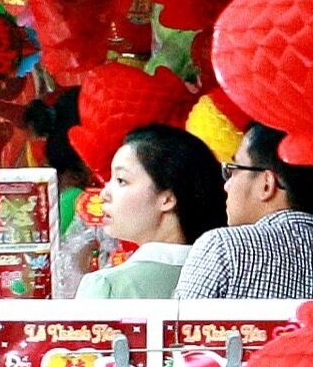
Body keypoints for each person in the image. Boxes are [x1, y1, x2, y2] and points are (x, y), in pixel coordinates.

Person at [174, 122, 313, 301]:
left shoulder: (222, 247)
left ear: (266, 184)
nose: (227, 185)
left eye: (234, 169)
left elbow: (175, 333)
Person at [77, 124, 226, 300]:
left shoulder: (107, 286)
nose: (104, 193)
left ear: (167, 199)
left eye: (121, 180)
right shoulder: (227, 281)